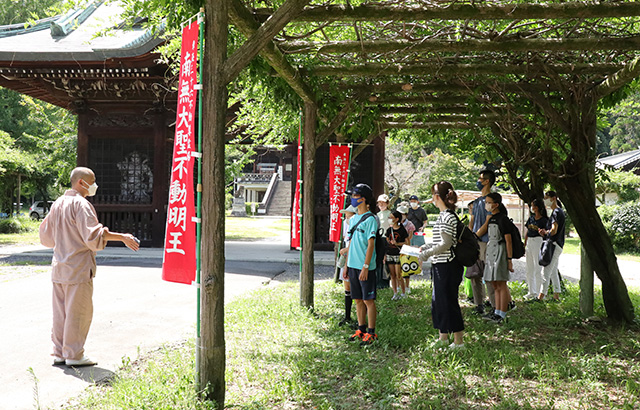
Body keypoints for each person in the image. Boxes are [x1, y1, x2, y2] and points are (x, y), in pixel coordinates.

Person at [39, 167, 140, 366]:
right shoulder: (81, 204)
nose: (95, 185)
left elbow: (46, 238)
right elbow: (93, 235)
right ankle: (74, 355)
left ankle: (59, 352)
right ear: (80, 183)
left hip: (59, 266)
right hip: (78, 268)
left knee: (61, 313)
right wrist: (123, 237)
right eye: (92, 181)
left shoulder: (58, 203)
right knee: (78, 312)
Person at [417, 181, 465, 349]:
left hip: (447, 265)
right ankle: (443, 337)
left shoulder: (446, 216)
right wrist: (426, 247)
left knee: (448, 302)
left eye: (433, 194)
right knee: (439, 301)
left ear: (437, 197)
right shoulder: (446, 215)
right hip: (442, 264)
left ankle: (458, 341)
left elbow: (445, 244)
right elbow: (441, 242)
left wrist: (426, 254)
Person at [340, 183, 378, 346]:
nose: (352, 199)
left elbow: (371, 245)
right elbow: (351, 243)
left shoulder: (371, 219)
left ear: (364, 199)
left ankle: (371, 332)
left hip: (365, 267)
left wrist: (365, 266)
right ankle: (360, 329)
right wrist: (347, 266)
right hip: (353, 265)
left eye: (355, 196)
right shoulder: (353, 219)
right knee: (357, 300)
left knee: (368, 300)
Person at [476, 193, 513, 324]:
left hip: (500, 252)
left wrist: (509, 259)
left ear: (496, 204)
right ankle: (496, 311)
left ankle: (502, 313)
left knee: (501, 283)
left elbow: (508, 241)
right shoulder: (491, 218)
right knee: (494, 283)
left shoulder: (503, 219)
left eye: (488, 202)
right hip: (491, 251)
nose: (486, 205)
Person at [469, 169, 496, 314]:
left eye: (480, 179)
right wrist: (469, 235)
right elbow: (472, 221)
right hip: (474, 242)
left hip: (486, 242)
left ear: (487, 181)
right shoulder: (477, 201)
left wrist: (477, 236)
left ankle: (494, 307)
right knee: (474, 275)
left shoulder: (491, 200)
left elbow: (488, 221)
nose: (478, 181)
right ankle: (479, 305)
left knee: (489, 276)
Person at [537, 191, 565, 301]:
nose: (545, 200)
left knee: (546, 271)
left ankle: (540, 297)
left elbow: (554, 231)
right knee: (553, 271)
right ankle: (556, 295)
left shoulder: (556, 212)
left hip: (553, 244)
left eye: (546, 198)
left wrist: (546, 233)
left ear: (553, 198)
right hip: (558, 244)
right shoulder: (559, 211)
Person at [523, 198, 548, 300]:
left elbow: (546, 233)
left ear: (537, 208)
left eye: (533, 206)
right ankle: (531, 291)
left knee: (538, 268)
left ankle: (538, 292)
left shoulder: (544, 220)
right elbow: (527, 231)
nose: (532, 208)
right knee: (529, 268)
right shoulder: (531, 218)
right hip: (530, 242)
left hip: (538, 241)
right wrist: (525, 243)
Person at [338, 205, 358, 326]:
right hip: (346, 258)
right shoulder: (346, 224)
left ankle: (358, 318)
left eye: (349, 214)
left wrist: (347, 250)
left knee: (355, 288)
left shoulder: (358, 225)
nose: (347, 217)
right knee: (347, 287)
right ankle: (347, 315)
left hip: (354, 259)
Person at [385, 210, 409, 300]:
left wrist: (397, 243)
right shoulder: (389, 230)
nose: (390, 219)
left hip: (398, 254)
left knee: (399, 275)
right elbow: (387, 240)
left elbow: (407, 243)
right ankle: (395, 292)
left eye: (391, 217)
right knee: (392, 275)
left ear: (397, 219)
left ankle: (403, 292)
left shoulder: (402, 230)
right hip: (389, 253)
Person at [397, 202, 416, 294]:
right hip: (396, 248)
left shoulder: (410, 224)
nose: (401, 216)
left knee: (406, 268)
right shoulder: (395, 223)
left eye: (402, 214)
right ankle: (398, 286)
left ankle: (407, 286)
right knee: (398, 269)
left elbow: (410, 237)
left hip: (406, 248)